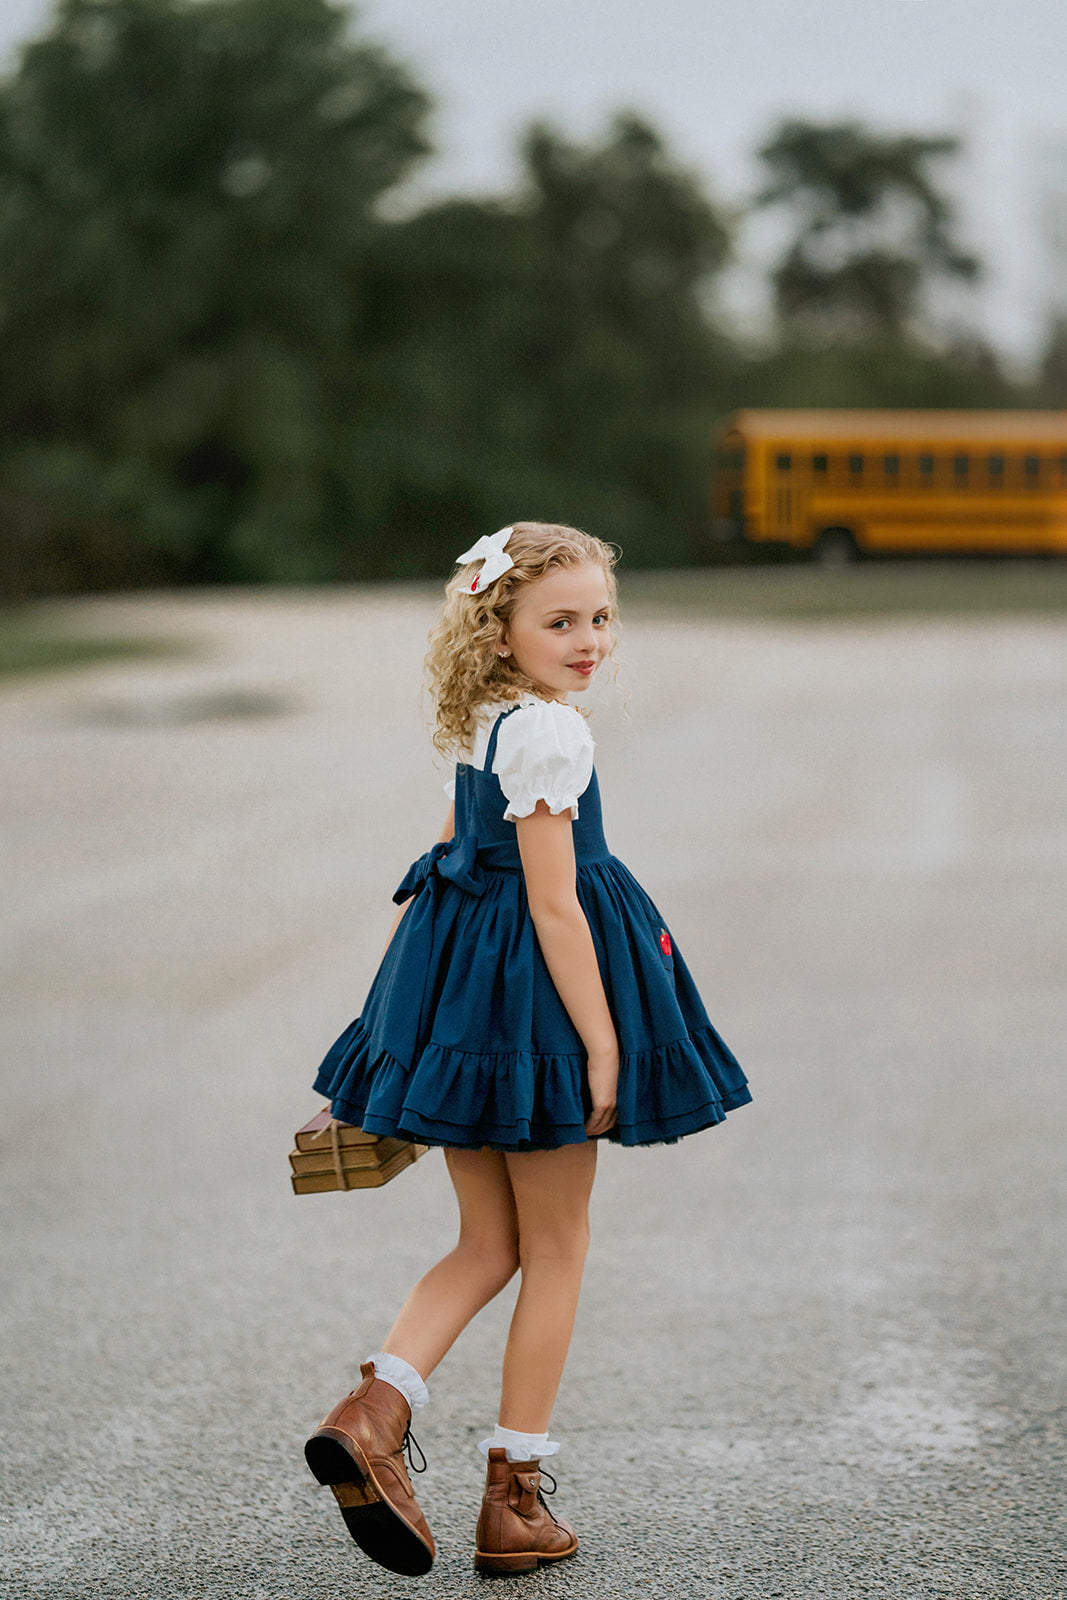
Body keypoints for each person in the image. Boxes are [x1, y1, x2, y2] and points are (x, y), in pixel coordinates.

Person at [303, 522, 751, 1578]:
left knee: (484, 1244)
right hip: (537, 1009)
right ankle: (513, 1502)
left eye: (600, 617)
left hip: (468, 1004)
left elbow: (441, 884)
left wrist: (394, 1043)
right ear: (499, 632)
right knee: (555, 1246)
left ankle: (371, 1415)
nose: (589, 640)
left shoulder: (485, 719)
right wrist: (602, 1044)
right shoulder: (548, 732)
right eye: (560, 622)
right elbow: (554, 906)